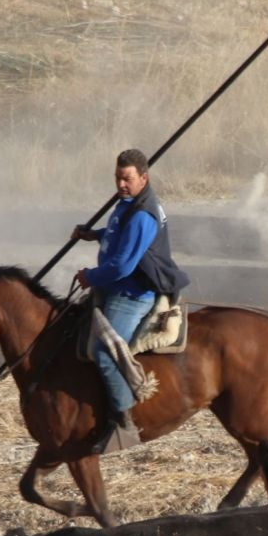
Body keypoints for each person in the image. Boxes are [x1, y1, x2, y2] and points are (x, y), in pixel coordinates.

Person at [69, 148, 189, 453]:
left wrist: (91, 277)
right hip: (117, 286)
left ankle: (124, 423)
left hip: (131, 293)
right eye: (118, 177)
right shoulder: (130, 203)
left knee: (105, 352)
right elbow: (117, 232)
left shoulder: (142, 215)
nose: (121, 184)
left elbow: (123, 265)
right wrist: (94, 234)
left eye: (127, 178)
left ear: (143, 177)